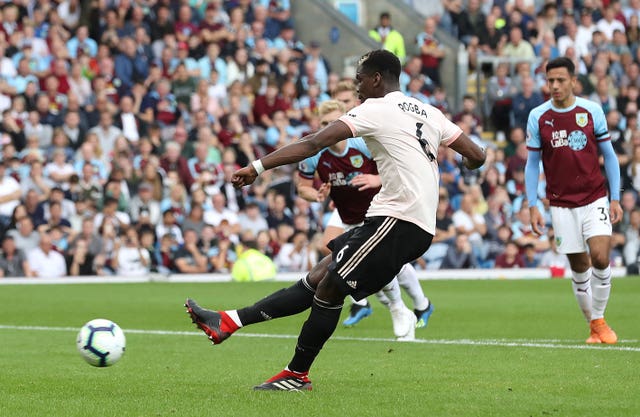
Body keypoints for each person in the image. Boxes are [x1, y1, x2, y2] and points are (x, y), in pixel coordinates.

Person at [185, 50, 485, 391]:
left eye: (359, 80)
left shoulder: (375, 108)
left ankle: (297, 375)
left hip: (398, 219)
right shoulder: (429, 111)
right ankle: (229, 321)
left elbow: (314, 142)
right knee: (317, 277)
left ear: (376, 79)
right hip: (404, 221)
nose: (356, 89)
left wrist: (257, 168)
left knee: (329, 289)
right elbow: (477, 155)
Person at [296, 97, 434, 339]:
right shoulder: (315, 152)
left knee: (388, 267)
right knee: (364, 269)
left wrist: (376, 179)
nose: (330, 127)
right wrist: (315, 195)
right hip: (347, 215)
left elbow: (399, 165)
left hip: (380, 213)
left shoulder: (362, 144)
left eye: (334, 121)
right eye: (324, 123)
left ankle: (412, 306)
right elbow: (302, 187)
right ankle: (395, 307)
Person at [525, 57, 623, 345]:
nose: (554, 86)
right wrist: (533, 204)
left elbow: (610, 156)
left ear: (573, 81)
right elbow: (532, 164)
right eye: (550, 80)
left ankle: (599, 319)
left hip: (595, 197)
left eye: (560, 80)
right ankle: (595, 326)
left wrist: (614, 198)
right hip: (560, 204)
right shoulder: (538, 116)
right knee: (579, 267)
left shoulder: (591, 111)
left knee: (601, 258)